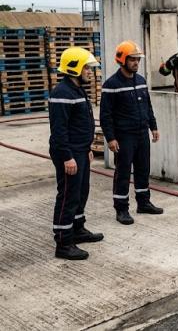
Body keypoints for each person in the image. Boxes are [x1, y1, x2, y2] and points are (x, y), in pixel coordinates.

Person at [49, 47, 104, 260]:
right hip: (69, 153)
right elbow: (59, 130)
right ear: (74, 68)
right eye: (87, 68)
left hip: (80, 150)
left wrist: (87, 148)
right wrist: (67, 157)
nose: (90, 72)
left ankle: (78, 229)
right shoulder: (62, 93)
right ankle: (63, 242)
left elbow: (79, 124)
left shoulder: (77, 89)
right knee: (68, 196)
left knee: (81, 192)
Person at [100, 41, 163, 225]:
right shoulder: (111, 84)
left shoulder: (141, 81)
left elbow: (148, 106)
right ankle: (121, 209)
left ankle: (143, 203)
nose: (136, 63)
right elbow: (105, 115)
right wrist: (110, 138)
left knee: (143, 169)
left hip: (142, 133)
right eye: (133, 59)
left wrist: (154, 126)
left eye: (138, 59)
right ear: (122, 60)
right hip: (124, 136)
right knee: (123, 172)